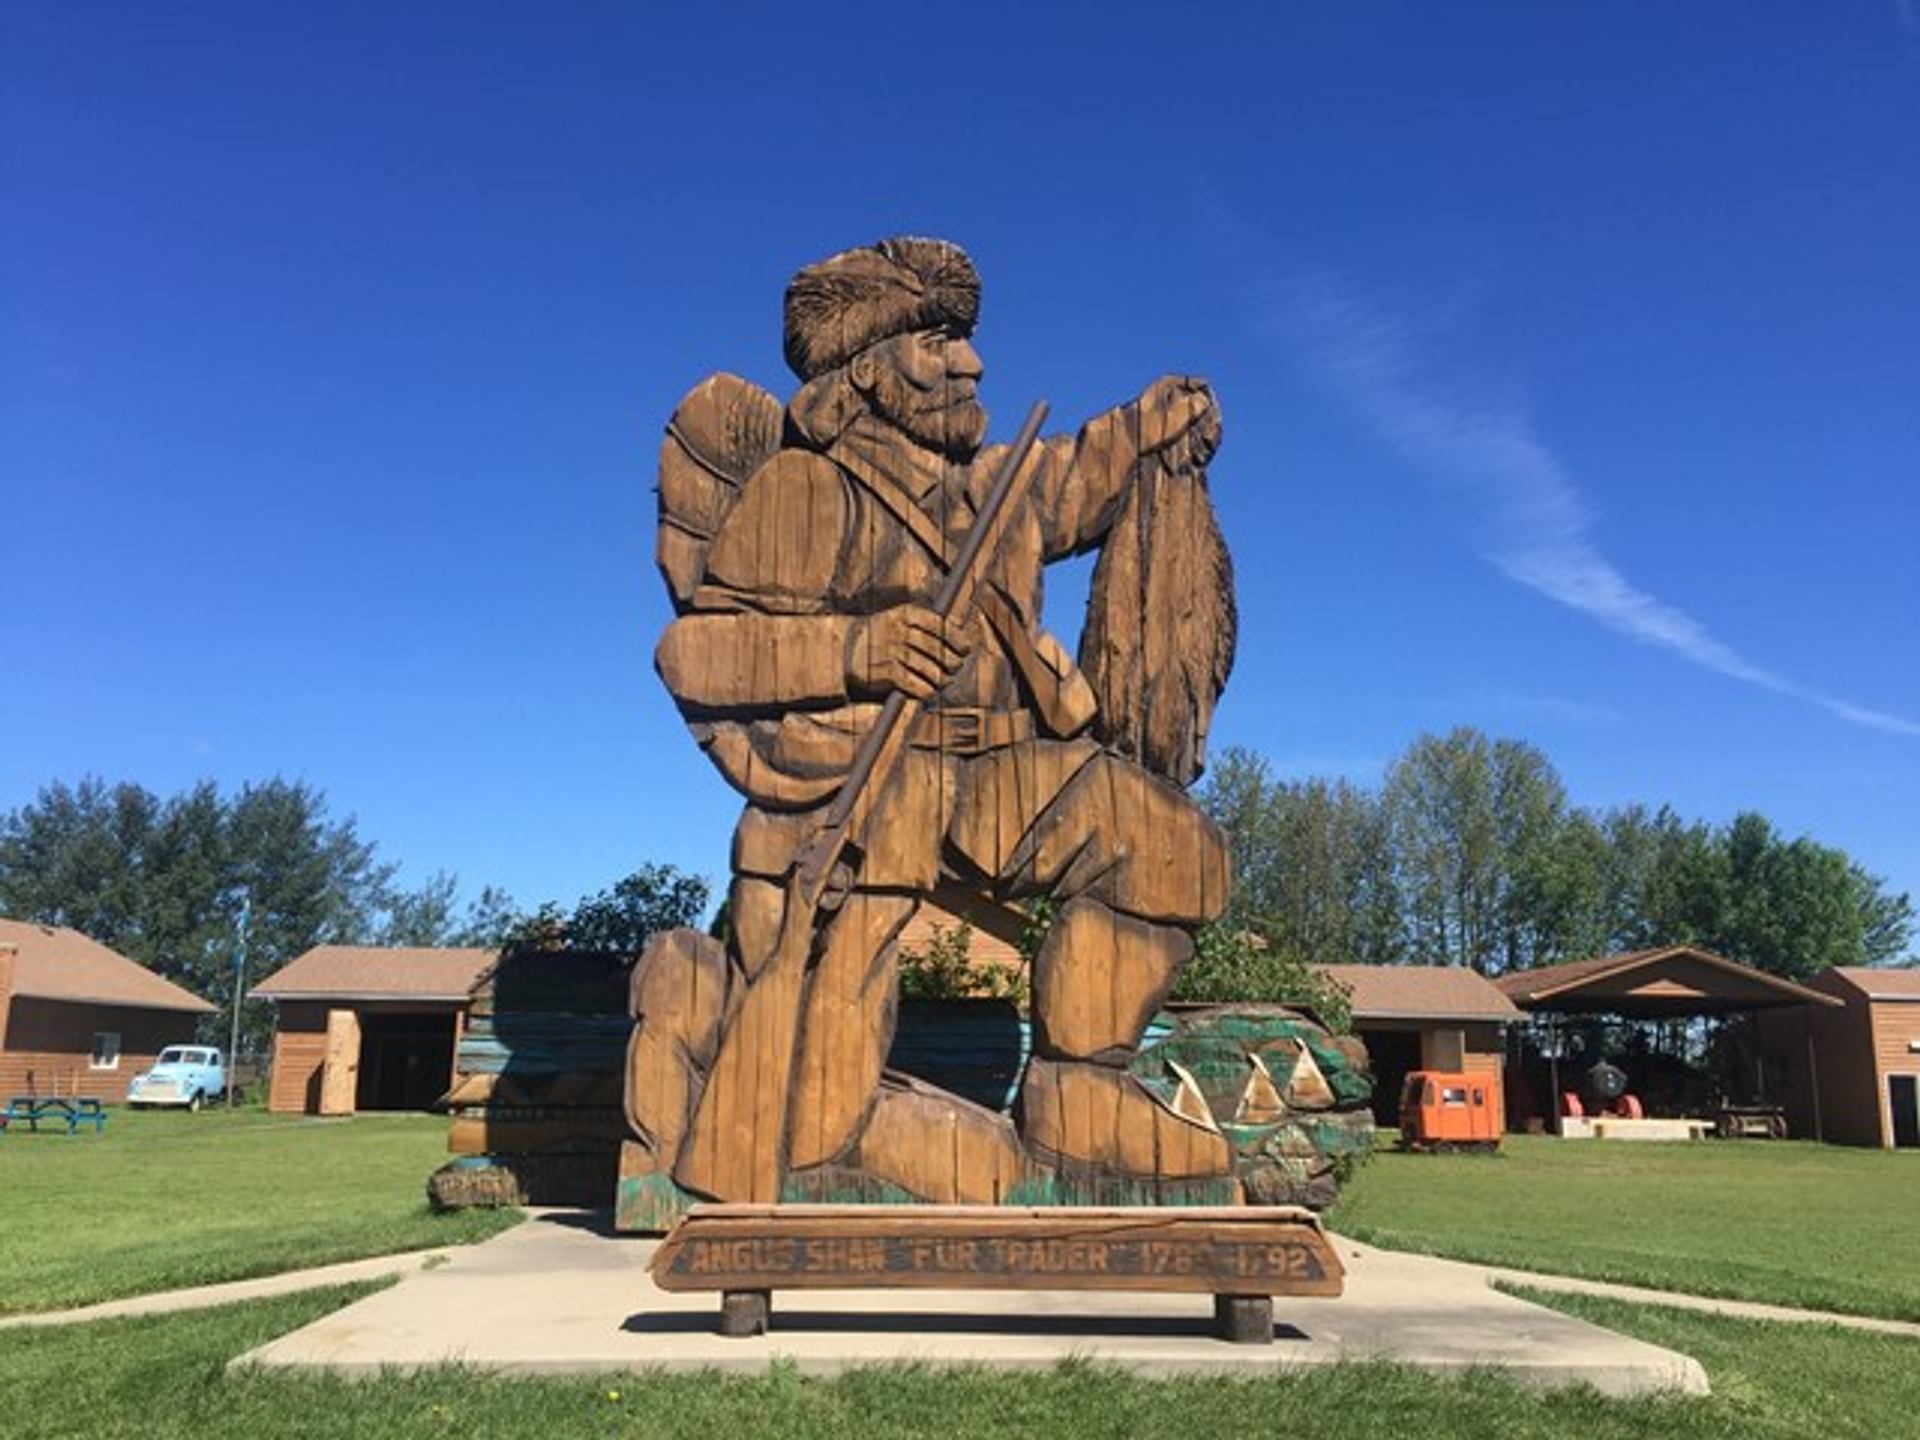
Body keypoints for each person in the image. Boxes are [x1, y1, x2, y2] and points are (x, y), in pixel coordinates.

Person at [642, 237, 1234, 1202]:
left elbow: (1085, 468)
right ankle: (818, 1132)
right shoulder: (806, 490)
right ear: (868, 370)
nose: (972, 363)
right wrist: (855, 651)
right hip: (868, 787)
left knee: (1176, 851)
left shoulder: (1001, 486)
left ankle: (1081, 1095)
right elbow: (695, 652)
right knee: (823, 1073)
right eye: (938, 342)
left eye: (966, 340)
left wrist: (1147, 421)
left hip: (1001, 776)